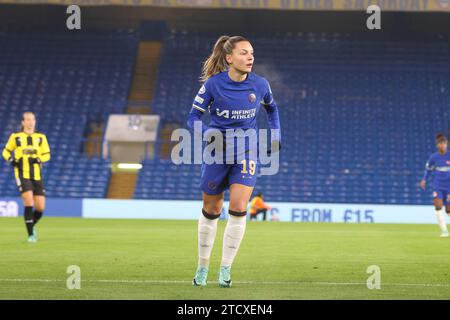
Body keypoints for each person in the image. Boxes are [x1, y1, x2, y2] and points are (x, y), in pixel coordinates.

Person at [187, 35, 281, 287]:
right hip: (217, 153)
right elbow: (193, 117)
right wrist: (207, 134)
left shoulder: (260, 85)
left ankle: (225, 269)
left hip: (247, 152)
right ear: (229, 58)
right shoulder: (212, 85)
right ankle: (202, 267)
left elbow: (272, 109)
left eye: (251, 52)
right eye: (243, 53)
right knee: (212, 211)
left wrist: (275, 136)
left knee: (239, 208)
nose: (250, 57)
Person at [2, 112, 51, 243]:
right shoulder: (16, 137)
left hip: (37, 175)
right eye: (28, 120)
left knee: (40, 207)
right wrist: (11, 160)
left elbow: (47, 155)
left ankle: (31, 225)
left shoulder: (41, 137)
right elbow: (5, 151)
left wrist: (39, 159)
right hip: (22, 174)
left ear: (35, 121)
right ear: (23, 122)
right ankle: (30, 235)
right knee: (28, 201)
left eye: (32, 119)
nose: (30, 122)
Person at [419, 133, 450, 238]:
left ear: (447, 144)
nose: (442, 145)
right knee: (438, 206)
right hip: (438, 186)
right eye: (440, 143)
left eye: (444, 143)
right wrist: (424, 180)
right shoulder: (433, 157)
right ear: (437, 145)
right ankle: (444, 231)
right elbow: (428, 170)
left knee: (449, 210)